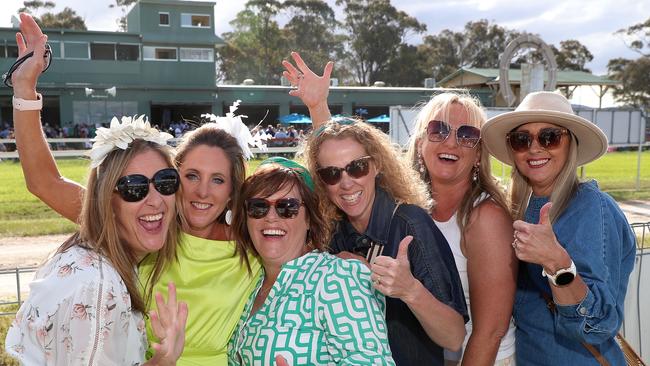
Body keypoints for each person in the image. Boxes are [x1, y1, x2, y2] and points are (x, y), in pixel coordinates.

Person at [9, 14, 262, 365]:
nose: (203, 191)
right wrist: (25, 90)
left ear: (234, 190)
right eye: (188, 176)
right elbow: (44, 182)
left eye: (218, 180)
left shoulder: (254, 239)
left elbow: (321, 205)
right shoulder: (140, 220)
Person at [4, 14, 187, 364]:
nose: (154, 198)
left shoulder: (110, 251)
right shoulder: (98, 285)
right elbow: (46, 183)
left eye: (166, 182)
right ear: (107, 200)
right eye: (133, 187)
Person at [284, 53, 468, 365]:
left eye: (356, 168)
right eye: (331, 174)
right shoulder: (335, 229)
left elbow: (453, 336)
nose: (345, 182)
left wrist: (409, 290)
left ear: (377, 165)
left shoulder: (410, 224)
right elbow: (333, 148)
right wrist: (317, 108)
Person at [482, 91, 636, 365]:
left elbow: (599, 323)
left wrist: (556, 263)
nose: (534, 148)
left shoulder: (591, 208)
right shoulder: (524, 206)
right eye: (521, 139)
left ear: (570, 143)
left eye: (549, 137)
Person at [228, 157, 394, 365]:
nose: (270, 217)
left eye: (287, 207)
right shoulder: (251, 284)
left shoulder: (337, 278)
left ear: (309, 219)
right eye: (258, 206)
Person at [407, 93, 517, 366]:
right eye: (438, 130)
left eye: (467, 135)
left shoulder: (485, 218)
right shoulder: (410, 206)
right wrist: (318, 107)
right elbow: (347, 176)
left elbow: (490, 332)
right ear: (421, 143)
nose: (451, 142)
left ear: (479, 153)